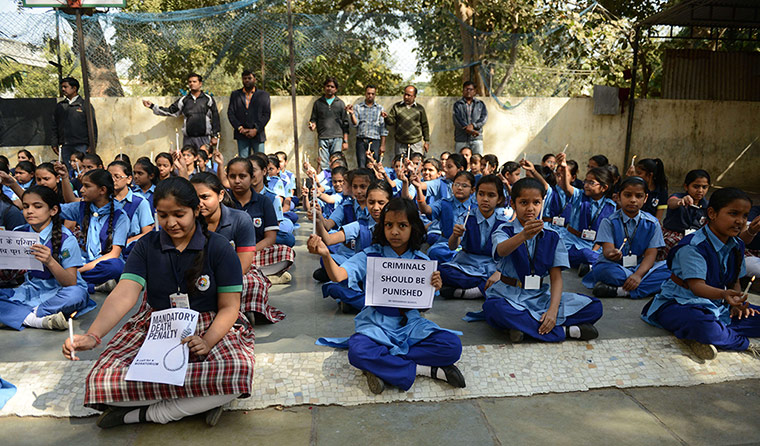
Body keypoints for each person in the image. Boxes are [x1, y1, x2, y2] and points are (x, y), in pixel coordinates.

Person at [63, 177, 254, 428]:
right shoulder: (146, 246)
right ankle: (197, 402)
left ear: (196, 210)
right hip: (158, 323)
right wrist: (93, 336)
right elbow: (125, 293)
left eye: (179, 214)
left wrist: (207, 341)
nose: (171, 223)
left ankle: (146, 414)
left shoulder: (218, 247)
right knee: (102, 379)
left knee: (237, 372)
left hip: (210, 324)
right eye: (163, 215)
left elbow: (230, 307)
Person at [310, 198, 466, 394]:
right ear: (381, 227)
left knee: (452, 346)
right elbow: (339, 275)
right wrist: (325, 255)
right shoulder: (371, 255)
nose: (394, 231)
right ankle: (427, 370)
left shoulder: (421, 261)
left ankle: (383, 365)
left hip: (410, 326)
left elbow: (423, 309)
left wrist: (432, 290)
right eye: (388, 225)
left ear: (413, 228)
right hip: (376, 325)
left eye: (402, 225)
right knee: (358, 352)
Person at [477, 177, 602, 343]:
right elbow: (501, 250)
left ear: (542, 204)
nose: (530, 208)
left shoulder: (552, 235)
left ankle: (524, 328)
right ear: (513, 205)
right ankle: (564, 331)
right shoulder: (504, 230)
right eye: (523, 203)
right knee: (494, 309)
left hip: (539, 296)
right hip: (508, 295)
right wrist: (522, 236)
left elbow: (556, 278)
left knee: (594, 306)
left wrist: (552, 311)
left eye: (536, 203)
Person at [641, 187, 760, 360]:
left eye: (744, 216)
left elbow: (735, 280)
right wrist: (725, 294)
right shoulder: (693, 246)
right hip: (681, 303)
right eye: (733, 213)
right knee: (702, 325)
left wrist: (736, 303)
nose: (740, 221)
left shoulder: (737, 244)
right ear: (712, 213)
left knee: (742, 317)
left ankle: (704, 335)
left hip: (720, 305)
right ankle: (737, 340)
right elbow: (697, 287)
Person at [191, 172, 283, 325]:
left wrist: (217, 283)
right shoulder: (188, 221)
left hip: (232, 272)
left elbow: (244, 264)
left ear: (220, 195)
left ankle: (239, 309)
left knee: (252, 283)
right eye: (195, 198)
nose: (199, 203)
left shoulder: (240, 219)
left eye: (205, 197)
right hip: (198, 272)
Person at [0, 186, 92, 330]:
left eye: (37, 206)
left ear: (53, 210)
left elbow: (70, 282)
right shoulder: (19, 233)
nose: (29, 211)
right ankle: (38, 320)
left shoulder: (66, 238)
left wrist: (50, 261)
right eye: (25, 206)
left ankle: (23, 316)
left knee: (77, 294)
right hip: (29, 290)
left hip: (59, 293)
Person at [582, 177, 671, 299]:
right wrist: (611, 253)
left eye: (639, 196)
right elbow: (607, 250)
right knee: (602, 270)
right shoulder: (608, 221)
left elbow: (651, 255)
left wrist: (638, 275)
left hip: (640, 267)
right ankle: (638, 286)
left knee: (672, 270)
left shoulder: (652, 223)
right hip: (615, 267)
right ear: (619, 197)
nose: (633, 200)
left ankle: (620, 290)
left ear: (645, 198)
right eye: (628, 195)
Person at [224, 157, 295, 284]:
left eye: (242, 176)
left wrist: (248, 251)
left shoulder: (264, 202)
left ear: (251, 178)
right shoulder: (224, 201)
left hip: (255, 252)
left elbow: (270, 238)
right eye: (232, 176)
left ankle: (248, 274)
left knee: (286, 253)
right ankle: (261, 276)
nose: (237, 181)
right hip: (229, 254)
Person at [59, 169, 130, 293]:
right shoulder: (81, 207)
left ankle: (74, 280)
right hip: (82, 260)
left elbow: (114, 254)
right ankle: (94, 286)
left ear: (102, 190)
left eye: (87, 186)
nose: (81, 190)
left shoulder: (120, 216)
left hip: (101, 264)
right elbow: (56, 209)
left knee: (116, 267)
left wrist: (79, 270)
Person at [439, 175, 507, 299]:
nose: (485, 199)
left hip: (491, 266)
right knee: (442, 271)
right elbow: (452, 246)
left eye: (491, 195)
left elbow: (507, 256)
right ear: (476, 195)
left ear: (499, 199)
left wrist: (499, 272)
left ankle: (468, 292)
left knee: (506, 276)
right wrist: (455, 235)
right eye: (481, 194)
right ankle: (482, 289)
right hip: (466, 264)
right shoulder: (466, 217)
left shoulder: (503, 223)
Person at [555, 152, 616, 273]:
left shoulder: (610, 206)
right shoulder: (579, 196)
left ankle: (590, 266)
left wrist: (595, 250)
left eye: (591, 183)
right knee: (576, 253)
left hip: (594, 246)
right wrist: (563, 167)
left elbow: (605, 233)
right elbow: (566, 187)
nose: (586, 185)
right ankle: (594, 266)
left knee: (597, 254)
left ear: (604, 187)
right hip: (573, 242)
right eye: (586, 181)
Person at [142, 73, 221, 150]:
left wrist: (215, 136)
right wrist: (152, 106)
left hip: (204, 138)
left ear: (200, 84)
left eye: (194, 81)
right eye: (190, 82)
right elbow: (171, 111)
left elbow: (215, 117)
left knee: (204, 161)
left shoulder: (208, 99)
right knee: (187, 161)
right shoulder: (184, 100)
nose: (191, 84)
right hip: (188, 139)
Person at [425, 171, 476, 260]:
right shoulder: (444, 203)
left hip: (466, 248)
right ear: (452, 186)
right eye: (456, 184)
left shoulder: (475, 208)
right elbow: (426, 210)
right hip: (445, 244)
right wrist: (418, 190)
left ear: (472, 190)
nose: (459, 188)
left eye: (464, 186)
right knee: (434, 252)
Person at [661, 169, 710, 258]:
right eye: (696, 186)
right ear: (686, 186)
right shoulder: (679, 197)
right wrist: (680, 201)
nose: (700, 190)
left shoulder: (706, 205)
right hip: (674, 236)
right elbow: (671, 202)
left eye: (704, 187)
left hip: (695, 236)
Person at [52, 77, 97, 170]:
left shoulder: (84, 105)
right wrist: (54, 142)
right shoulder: (60, 106)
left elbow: (92, 127)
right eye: (62, 87)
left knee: (82, 169)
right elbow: (54, 125)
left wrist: (92, 145)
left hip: (81, 145)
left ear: (74, 88)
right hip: (65, 145)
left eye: (65, 87)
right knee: (68, 170)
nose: (63, 89)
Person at [308, 77, 349, 170]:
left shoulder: (340, 104)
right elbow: (313, 119)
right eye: (327, 86)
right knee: (324, 164)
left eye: (332, 86)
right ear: (324, 87)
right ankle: (325, 183)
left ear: (336, 89)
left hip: (337, 138)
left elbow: (345, 123)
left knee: (337, 162)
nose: (329, 88)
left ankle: (337, 182)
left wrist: (345, 141)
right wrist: (312, 125)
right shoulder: (318, 103)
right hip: (323, 138)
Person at [227, 69, 271, 158]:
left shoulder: (263, 95)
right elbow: (231, 113)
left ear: (254, 79)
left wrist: (256, 129)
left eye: (249, 78)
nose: (247, 80)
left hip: (258, 134)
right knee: (243, 162)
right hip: (241, 134)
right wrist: (240, 128)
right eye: (244, 78)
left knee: (260, 160)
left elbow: (266, 114)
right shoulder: (235, 94)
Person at [347, 84, 388, 168]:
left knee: (375, 166)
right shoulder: (358, 107)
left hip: (375, 141)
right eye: (368, 93)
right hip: (362, 140)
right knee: (361, 165)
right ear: (365, 94)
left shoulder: (380, 108)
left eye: (373, 94)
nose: (370, 96)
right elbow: (355, 124)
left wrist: (382, 145)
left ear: (375, 95)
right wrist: (352, 114)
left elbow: (383, 128)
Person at [383, 85, 430, 156]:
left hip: (416, 142)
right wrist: (386, 117)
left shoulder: (419, 109)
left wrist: (426, 141)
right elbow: (391, 122)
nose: (406, 97)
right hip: (400, 142)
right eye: (405, 94)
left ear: (414, 96)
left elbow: (425, 125)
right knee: (400, 164)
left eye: (409, 95)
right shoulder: (397, 107)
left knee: (416, 164)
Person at [453, 81, 488, 155]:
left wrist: (473, 125)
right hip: (461, 138)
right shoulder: (457, 105)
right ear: (463, 91)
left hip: (476, 139)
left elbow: (484, 118)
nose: (468, 91)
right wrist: (469, 129)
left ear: (475, 91)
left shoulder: (480, 104)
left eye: (471, 89)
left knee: (477, 160)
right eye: (466, 89)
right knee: (459, 161)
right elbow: (457, 119)